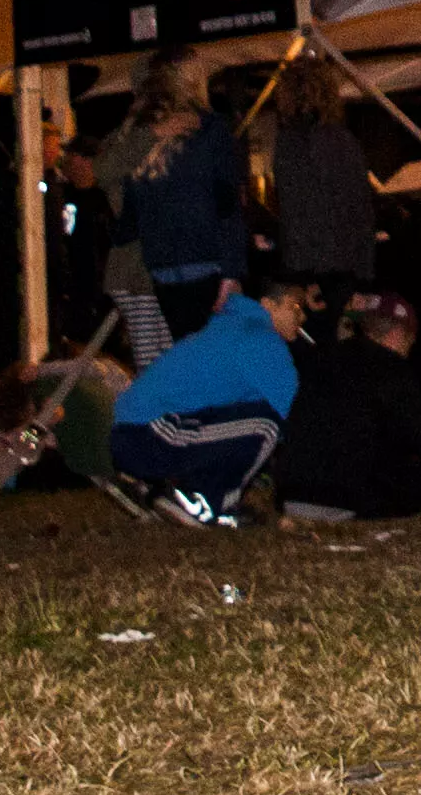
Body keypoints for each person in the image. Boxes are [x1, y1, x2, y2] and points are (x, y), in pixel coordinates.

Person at [103, 275, 300, 523]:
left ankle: (165, 492)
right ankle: (206, 505)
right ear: (268, 305)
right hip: (149, 433)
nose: (301, 317)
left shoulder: (230, 327)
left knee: (246, 422)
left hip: (135, 434)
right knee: (266, 426)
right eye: (294, 306)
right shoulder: (260, 338)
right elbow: (289, 412)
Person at [273, 285, 421, 520]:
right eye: (411, 341)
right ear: (398, 335)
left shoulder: (321, 359)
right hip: (347, 500)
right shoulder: (390, 368)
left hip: (292, 494)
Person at [106, 52, 250, 359]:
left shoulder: (143, 136)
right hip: (203, 257)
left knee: (185, 356)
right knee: (217, 359)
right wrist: (231, 270)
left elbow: (131, 200)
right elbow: (226, 202)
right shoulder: (208, 129)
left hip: (163, 265)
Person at [263, 55, 388, 292]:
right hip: (343, 261)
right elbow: (359, 207)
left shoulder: (289, 141)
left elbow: (293, 207)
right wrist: (364, 271)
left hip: (305, 263)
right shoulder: (342, 140)